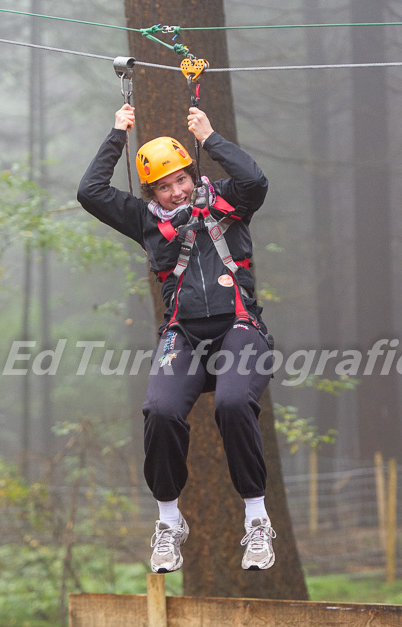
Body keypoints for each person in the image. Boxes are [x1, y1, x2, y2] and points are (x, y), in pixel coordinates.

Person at [78, 102, 276, 573]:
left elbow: (257, 181)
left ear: (192, 173)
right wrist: (115, 135)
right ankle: (169, 523)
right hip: (183, 336)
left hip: (239, 328)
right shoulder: (145, 219)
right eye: (163, 187)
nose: (175, 192)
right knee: (160, 412)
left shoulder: (229, 198)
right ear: (151, 191)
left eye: (181, 180)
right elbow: (90, 191)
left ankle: (257, 520)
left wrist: (210, 137)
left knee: (231, 404)